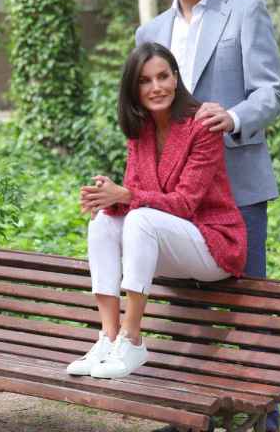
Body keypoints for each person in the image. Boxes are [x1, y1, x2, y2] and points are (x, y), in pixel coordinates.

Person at [137, 0, 280, 432]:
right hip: (178, 197)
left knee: (252, 310)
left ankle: (263, 422)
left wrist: (236, 116)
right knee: (187, 314)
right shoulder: (150, 32)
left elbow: (272, 93)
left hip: (239, 188)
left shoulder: (245, 11)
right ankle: (188, 417)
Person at [66, 42, 246, 382]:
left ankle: (132, 339)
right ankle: (108, 337)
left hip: (212, 244)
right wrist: (108, 198)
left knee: (139, 217)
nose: (156, 87)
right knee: (104, 223)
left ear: (176, 79)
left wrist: (125, 195)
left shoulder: (201, 125)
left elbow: (184, 203)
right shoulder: (141, 130)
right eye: (145, 81)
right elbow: (138, 195)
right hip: (164, 243)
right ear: (134, 88)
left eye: (163, 76)